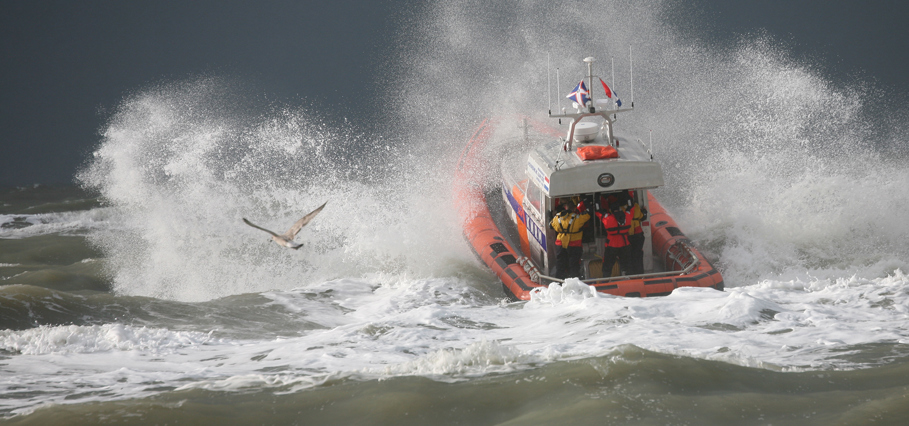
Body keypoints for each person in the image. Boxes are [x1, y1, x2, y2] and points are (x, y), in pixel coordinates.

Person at [549, 198, 591, 279]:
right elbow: (589, 214)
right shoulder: (577, 219)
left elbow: (550, 225)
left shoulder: (557, 218)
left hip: (560, 244)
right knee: (574, 265)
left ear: (565, 207)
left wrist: (550, 216)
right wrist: (586, 202)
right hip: (574, 245)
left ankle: (559, 281)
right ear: (573, 208)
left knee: (560, 264)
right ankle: (574, 281)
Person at [596, 202, 632, 277]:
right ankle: (628, 280)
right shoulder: (627, 216)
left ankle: (606, 281)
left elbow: (598, 213)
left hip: (611, 245)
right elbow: (632, 208)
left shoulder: (608, 218)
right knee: (626, 265)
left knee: (607, 265)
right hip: (625, 244)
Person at [626, 191, 648, 275]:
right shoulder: (636, 207)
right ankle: (640, 273)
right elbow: (641, 216)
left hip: (627, 235)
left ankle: (630, 274)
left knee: (629, 256)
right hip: (638, 235)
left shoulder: (623, 208)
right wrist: (644, 211)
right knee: (638, 255)